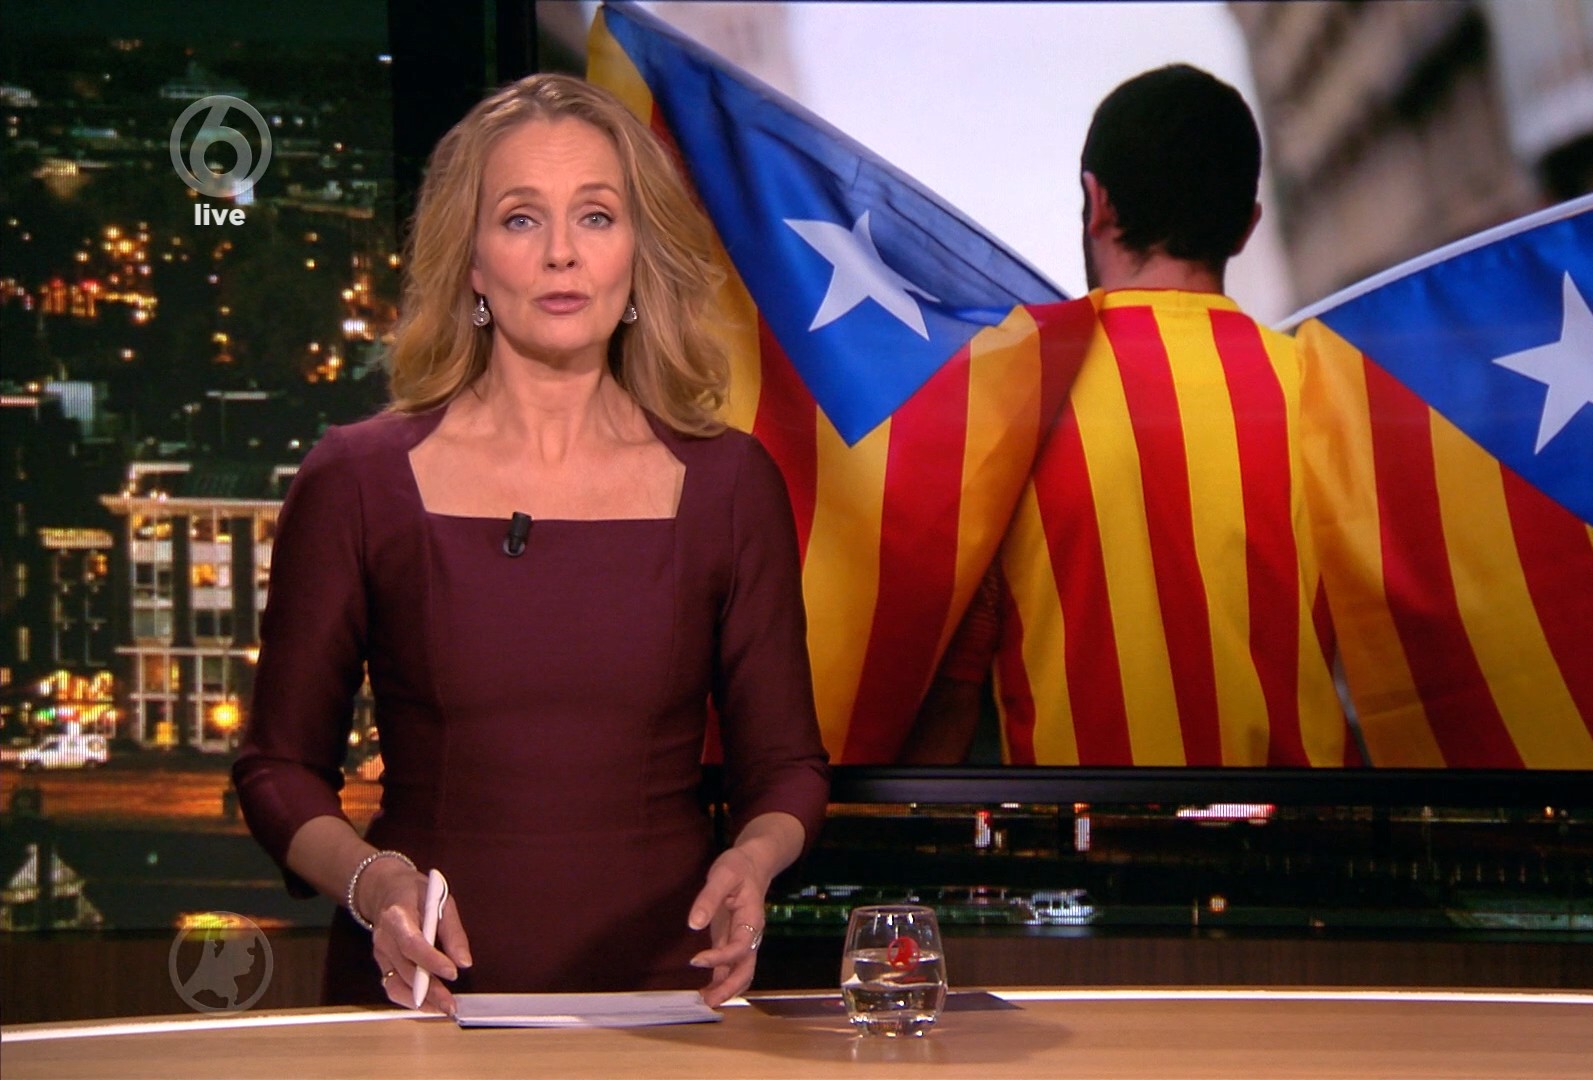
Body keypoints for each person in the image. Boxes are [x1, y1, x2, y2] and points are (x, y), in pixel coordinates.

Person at [233, 73, 829, 1013]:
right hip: (424, 1000)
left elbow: (787, 767)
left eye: (596, 216)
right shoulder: (357, 479)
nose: (561, 253)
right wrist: (375, 884)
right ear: (471, 262)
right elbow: (277, 771)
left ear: (637, 252)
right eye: (520, 219)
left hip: (665, 1005)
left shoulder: (729, 483)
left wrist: (753, 862)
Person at [912, 65, 1346, 767]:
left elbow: (948, 699)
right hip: (1302, 829)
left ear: (1097, 203)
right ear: (1246, 226)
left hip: (1083, 829)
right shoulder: (1327, 392)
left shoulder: (1013, 389)